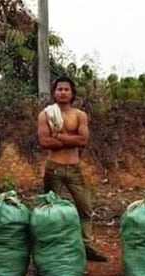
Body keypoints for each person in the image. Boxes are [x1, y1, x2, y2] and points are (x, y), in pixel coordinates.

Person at [37, 76, 107, 262]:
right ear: (54, 92)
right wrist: (70, 139)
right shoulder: (46, 114)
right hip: (54, 168)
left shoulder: (79, 115)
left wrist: (58, 136)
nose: (63, 92)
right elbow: (44, 141)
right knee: (51, 211)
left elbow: (83, 140)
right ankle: (53, 248)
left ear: (72, 93)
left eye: (66, 89)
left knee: (85, 208)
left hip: (74, 168)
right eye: (59, 89)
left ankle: (86, 246)